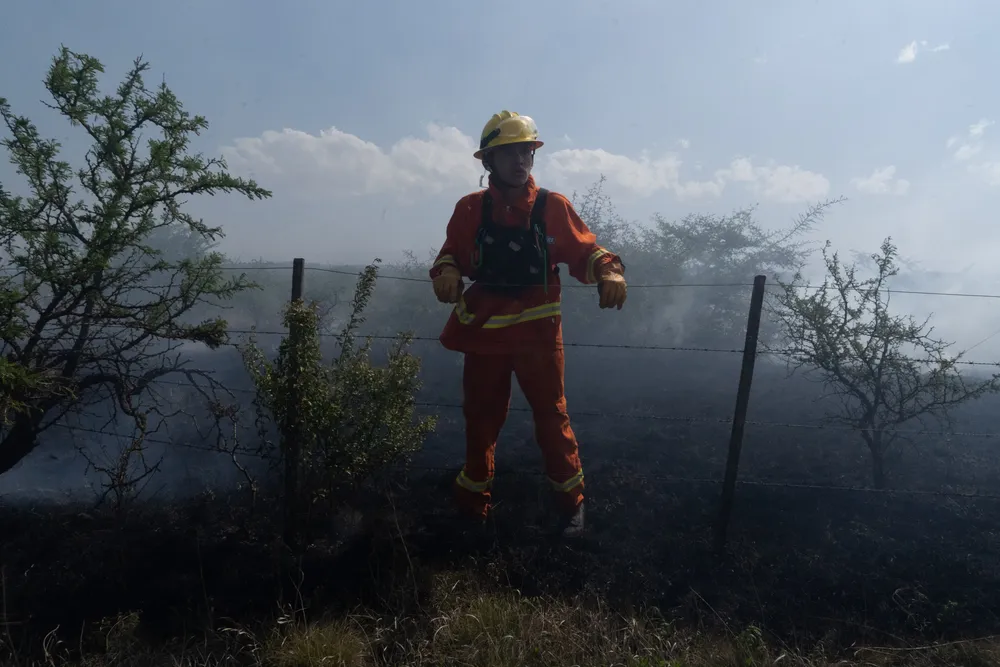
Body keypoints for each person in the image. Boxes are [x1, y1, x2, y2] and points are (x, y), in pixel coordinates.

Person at [429, 110, 627, 537]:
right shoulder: (469, 209)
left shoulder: (552, 207)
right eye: (509, 153)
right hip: (485, 336)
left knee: (551, 417)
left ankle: (570, 503)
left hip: (538, 338)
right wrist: (446, 272)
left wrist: (609, 272)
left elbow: (586, 251)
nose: (520, 161)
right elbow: (451, 254)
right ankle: (472, 507)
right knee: (481, 419)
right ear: (489, 162)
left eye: (526, 152)